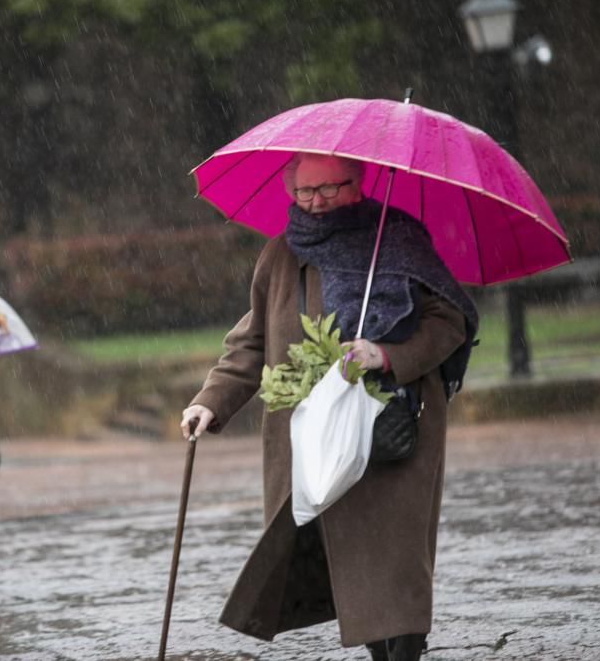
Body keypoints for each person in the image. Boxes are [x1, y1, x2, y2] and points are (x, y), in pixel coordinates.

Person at [181, 153, 478, 661]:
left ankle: (405, 650)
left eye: (330, 188)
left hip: (393, 423)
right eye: (304, 192)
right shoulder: (279, 254)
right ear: (289, 192)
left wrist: (387, 354)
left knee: (394, 556)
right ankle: (379, 649)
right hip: (310, 432)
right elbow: (251, 341)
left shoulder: (397, 236)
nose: (317, 201)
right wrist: (210, 402)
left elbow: (449, 321)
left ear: (358, 182)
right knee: (346, 559)